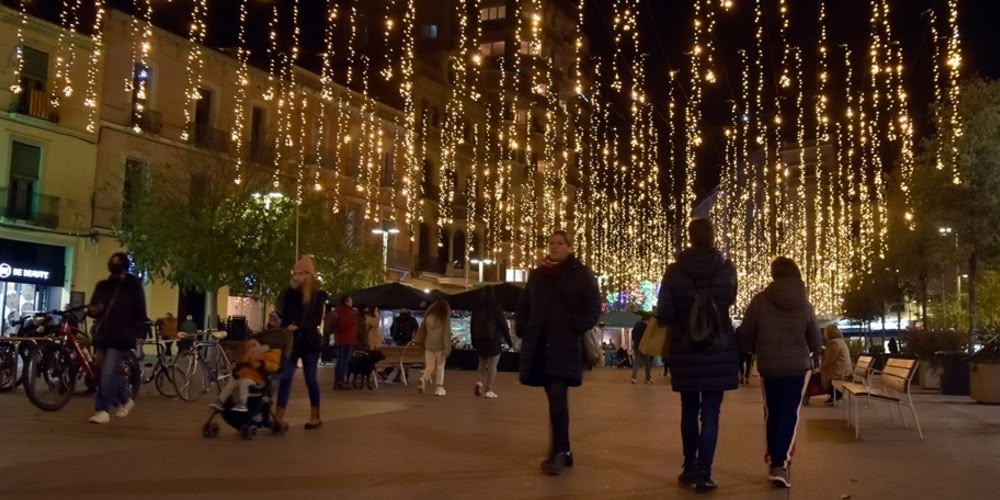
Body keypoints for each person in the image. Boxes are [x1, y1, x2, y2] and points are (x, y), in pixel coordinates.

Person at [656, 218, 738, 492]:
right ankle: (705, 473)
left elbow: (665, 312)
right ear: (713, 237)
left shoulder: (675, 270)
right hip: (717, 347)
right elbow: (728, 302)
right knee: (711, 412)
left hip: (686, 346)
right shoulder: (727, 269)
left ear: (690, 237)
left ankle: (688, 467)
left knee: (689, 410)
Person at [516, 230, 602, 476]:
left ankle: (560, 452)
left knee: (557, 395)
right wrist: (523, 326)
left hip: (565, 344)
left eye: (560, 243)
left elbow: (593, 308)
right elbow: (524, 304)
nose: (554, 247)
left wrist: (575, 326)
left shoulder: (582, 274)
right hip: (541, 344)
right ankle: (563, 451)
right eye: (552, 243)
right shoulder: (537, 275)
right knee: (554, 397)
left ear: (570, 248)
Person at [736, 257, 822, 489]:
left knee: (772, 412)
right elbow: (815, 339)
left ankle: (774, 456)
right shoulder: (805, 303)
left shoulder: (761, 300)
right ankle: (779, 464)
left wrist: (755, 349)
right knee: (789, 414)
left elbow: (745, 332)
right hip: (797, 366)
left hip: (770, 365)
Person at [87, 252, 147, 424]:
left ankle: (102, 409)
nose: (115, 264)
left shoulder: (133, 286)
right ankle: (126, 400)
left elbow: (140, 312)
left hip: (121, 336)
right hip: (104, 334)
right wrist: (94, 310)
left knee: (107, 371)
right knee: (108, 371)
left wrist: (134, 331)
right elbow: (93, 306)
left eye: (117, 262)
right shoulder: (103, 285)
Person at [275, 255, 328, 430]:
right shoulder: (290, 294)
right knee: (285, 377)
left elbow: (315, 320)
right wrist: (283, 323)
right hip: (292, 342)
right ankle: (278, 415)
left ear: (309, 275)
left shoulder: (318, 296)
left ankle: (315, 415)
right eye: (295, 273)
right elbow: (282, 314)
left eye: (300, 273)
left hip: (310, 342)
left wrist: (297, 326)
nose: (296, 277)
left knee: (311, 379)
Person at [210, 337, 282, 412]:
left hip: (257, 379)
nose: (251, 348)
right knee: (232, 383)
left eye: (254, 345)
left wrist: (263, 365)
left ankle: (242, 403)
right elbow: (241, 366)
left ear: (261, 346)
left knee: (244, 382)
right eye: (249, 347)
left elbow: (273, 366)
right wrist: (236, 368)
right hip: (245, 376)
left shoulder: (267, 355)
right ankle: (220, 401)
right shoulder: (247, 356)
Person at [471, 286, 513, 399]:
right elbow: (503, 325)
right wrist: (509, 342)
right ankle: (489, 390)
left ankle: (479, 382)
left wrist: (473, 341)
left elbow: (472, 325)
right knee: (492, 366)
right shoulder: (496, 306)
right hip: (493, 339)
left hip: (480, 340)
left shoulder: (477, 307)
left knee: (482, 364)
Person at [416, 299, 453, 396]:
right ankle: (439, 388)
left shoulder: (427, 317)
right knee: (440, 367)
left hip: (428, 345)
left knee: (430, 366)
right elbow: (446, 335)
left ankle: (423, 379)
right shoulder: (445, 319)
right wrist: (447, 348)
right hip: (440, 347)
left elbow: (423, 331)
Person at [814, 324, 853, 404]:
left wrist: (819, 369)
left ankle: (836, 393)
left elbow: (829, 360)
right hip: (843, 369)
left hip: (839, 371)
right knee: (817, 375)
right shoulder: (839, 341)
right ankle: (834, 394)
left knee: (813, 376)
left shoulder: (834, 343)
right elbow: (831, 356)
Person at [332, 295, 358, 390]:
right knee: (344, 362)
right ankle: (340, 382)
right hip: (347, 340)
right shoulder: (348, 312)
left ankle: (337, 381)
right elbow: (345, 324)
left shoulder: (337, 310)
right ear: (347, 301)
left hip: (339, 339)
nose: (352, 302)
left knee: (339, 361)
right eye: (351, 300)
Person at [631, 316, 653, 384]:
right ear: (646, 320)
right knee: (647, 363)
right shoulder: (647, 327)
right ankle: (648, 379)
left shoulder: (635, 327)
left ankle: (634, 378)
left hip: (637, 346)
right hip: (644, 347)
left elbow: (633, 336)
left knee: (636, 362)